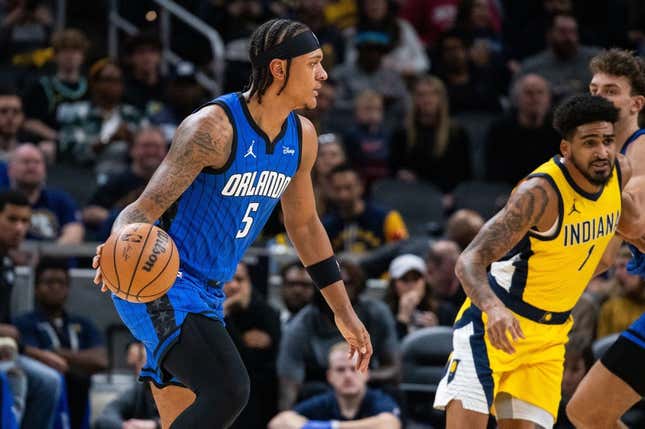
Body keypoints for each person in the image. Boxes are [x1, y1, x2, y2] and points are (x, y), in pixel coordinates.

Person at [92, 18, 373, 429]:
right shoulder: (212, 129)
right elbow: (141, 209)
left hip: (209, 291)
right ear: (279, 69)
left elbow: (306, 225)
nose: (323, 74)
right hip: (159, 280)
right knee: (228, 390)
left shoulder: (303, 136)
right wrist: (118, 242)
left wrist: (343, 313)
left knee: (188, 417)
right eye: (313, 63)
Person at [433, 94, 629, 428]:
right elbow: (469, 260)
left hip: (550, 337)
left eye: (608, 141)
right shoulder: (540, 194)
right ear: (566, 149)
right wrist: (494, 310)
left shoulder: (618, 173)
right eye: (590, 142)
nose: (602, 152)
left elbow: (607, 253)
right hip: (497, 325)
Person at [566, 49, 645, 428]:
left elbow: (631, 220)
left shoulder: (640, 151)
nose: (598, 98)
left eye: (611, 90)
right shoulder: (607, 161)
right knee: (588, 412)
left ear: (636, 103)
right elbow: (601, 256)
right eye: (594, 89)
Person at [14, 257, 108, 429]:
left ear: (68, 288)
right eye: (49, 282)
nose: (55, 287)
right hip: (40, 407)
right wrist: (78, 361)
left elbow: (100, 361)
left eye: (61, 283)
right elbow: (31, 358)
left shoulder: (82, 324)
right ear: (36, 287)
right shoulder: (23, 323)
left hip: (78, 404)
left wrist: (56, 353)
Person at [269, 341, 401, 429]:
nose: (348, 376)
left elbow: (390, 424)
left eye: (354, 369)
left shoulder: (379, 400)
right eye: (340, 370)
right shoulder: (324, 402)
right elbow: (279, 422)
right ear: (329, 376)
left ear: (366, 374)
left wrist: (331, 426)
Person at [223, 261, 282, 429]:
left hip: (257, 396)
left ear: (249, 282)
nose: (234, 286)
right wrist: (224, 311)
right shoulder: (205, 314)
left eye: (240, 280)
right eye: (227, 280)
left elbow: (247, 362)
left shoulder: (266, 313)